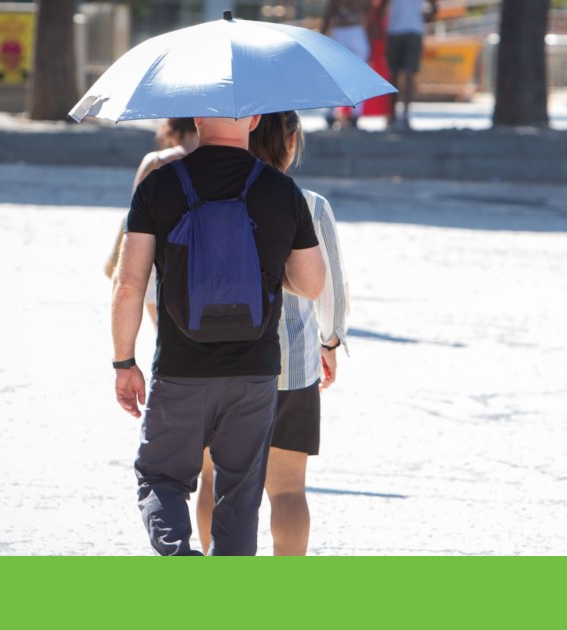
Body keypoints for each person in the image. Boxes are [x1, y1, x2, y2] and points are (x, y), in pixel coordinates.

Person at [111, 115, 326, 556]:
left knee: (160, 478)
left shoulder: (159, 184)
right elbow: (311, 283)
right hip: (255, 372)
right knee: (240, 496)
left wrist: (124, 362)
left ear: (195, 117)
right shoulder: (281, 190)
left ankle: (179, 560)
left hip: (180, 368)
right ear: (253, 119)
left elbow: (129, 283)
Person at [194, 111, 351, 556]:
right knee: (286, 490)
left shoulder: (211, 198)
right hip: (291, 366)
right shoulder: (312, 203)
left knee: (213, 480)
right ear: (291, 139)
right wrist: (331, 341)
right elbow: (333, 287)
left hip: (217, 363)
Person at [105, 118, 199, 327]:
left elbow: (136, 212)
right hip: (197, 256)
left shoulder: (155, 161)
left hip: (154, 255)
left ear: (171, 130)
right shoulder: (214, 162)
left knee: (162, 333)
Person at [381, 0, 438, 131]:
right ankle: (398, 115)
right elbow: (434, 8)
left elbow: (434, 8)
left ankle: (397, 115)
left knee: (400, 74)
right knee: (404, 74)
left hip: (401, 31)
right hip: (407, 30)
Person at [321, 0, 374, 129]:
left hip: (341, 32)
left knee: (335, 76)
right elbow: (370, 16)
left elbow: (330, 13)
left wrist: (321, 36)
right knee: (358, 77)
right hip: (357, 33)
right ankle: (355, 114)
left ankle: (331, 112)